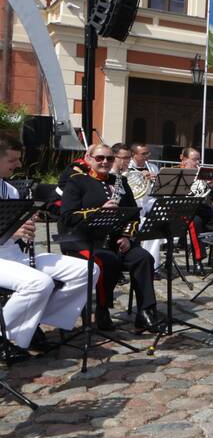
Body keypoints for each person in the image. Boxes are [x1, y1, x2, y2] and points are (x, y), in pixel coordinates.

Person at [0, 135, 90, 355]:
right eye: (13, 160)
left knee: (87, 270)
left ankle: (33, 324)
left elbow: (13, 228)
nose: (19, 165)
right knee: (40, 283)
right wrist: (11, 231)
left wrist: (24, 224)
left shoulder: (10, 190)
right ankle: (5, 338)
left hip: (14, 256)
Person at [59, 144, 163, 332]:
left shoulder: (119, 182)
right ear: (89, 159)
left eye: (109, 158)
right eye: (99, 158)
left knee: (143, 258)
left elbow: (133, 214)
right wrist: (99, 212)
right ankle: (102, 308)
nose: (105, 162)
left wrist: (126, 236)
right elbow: (67, 217)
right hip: (85, 241)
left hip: (115, 240)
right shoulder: (77, 182)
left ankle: (146, 311)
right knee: (109, 261)